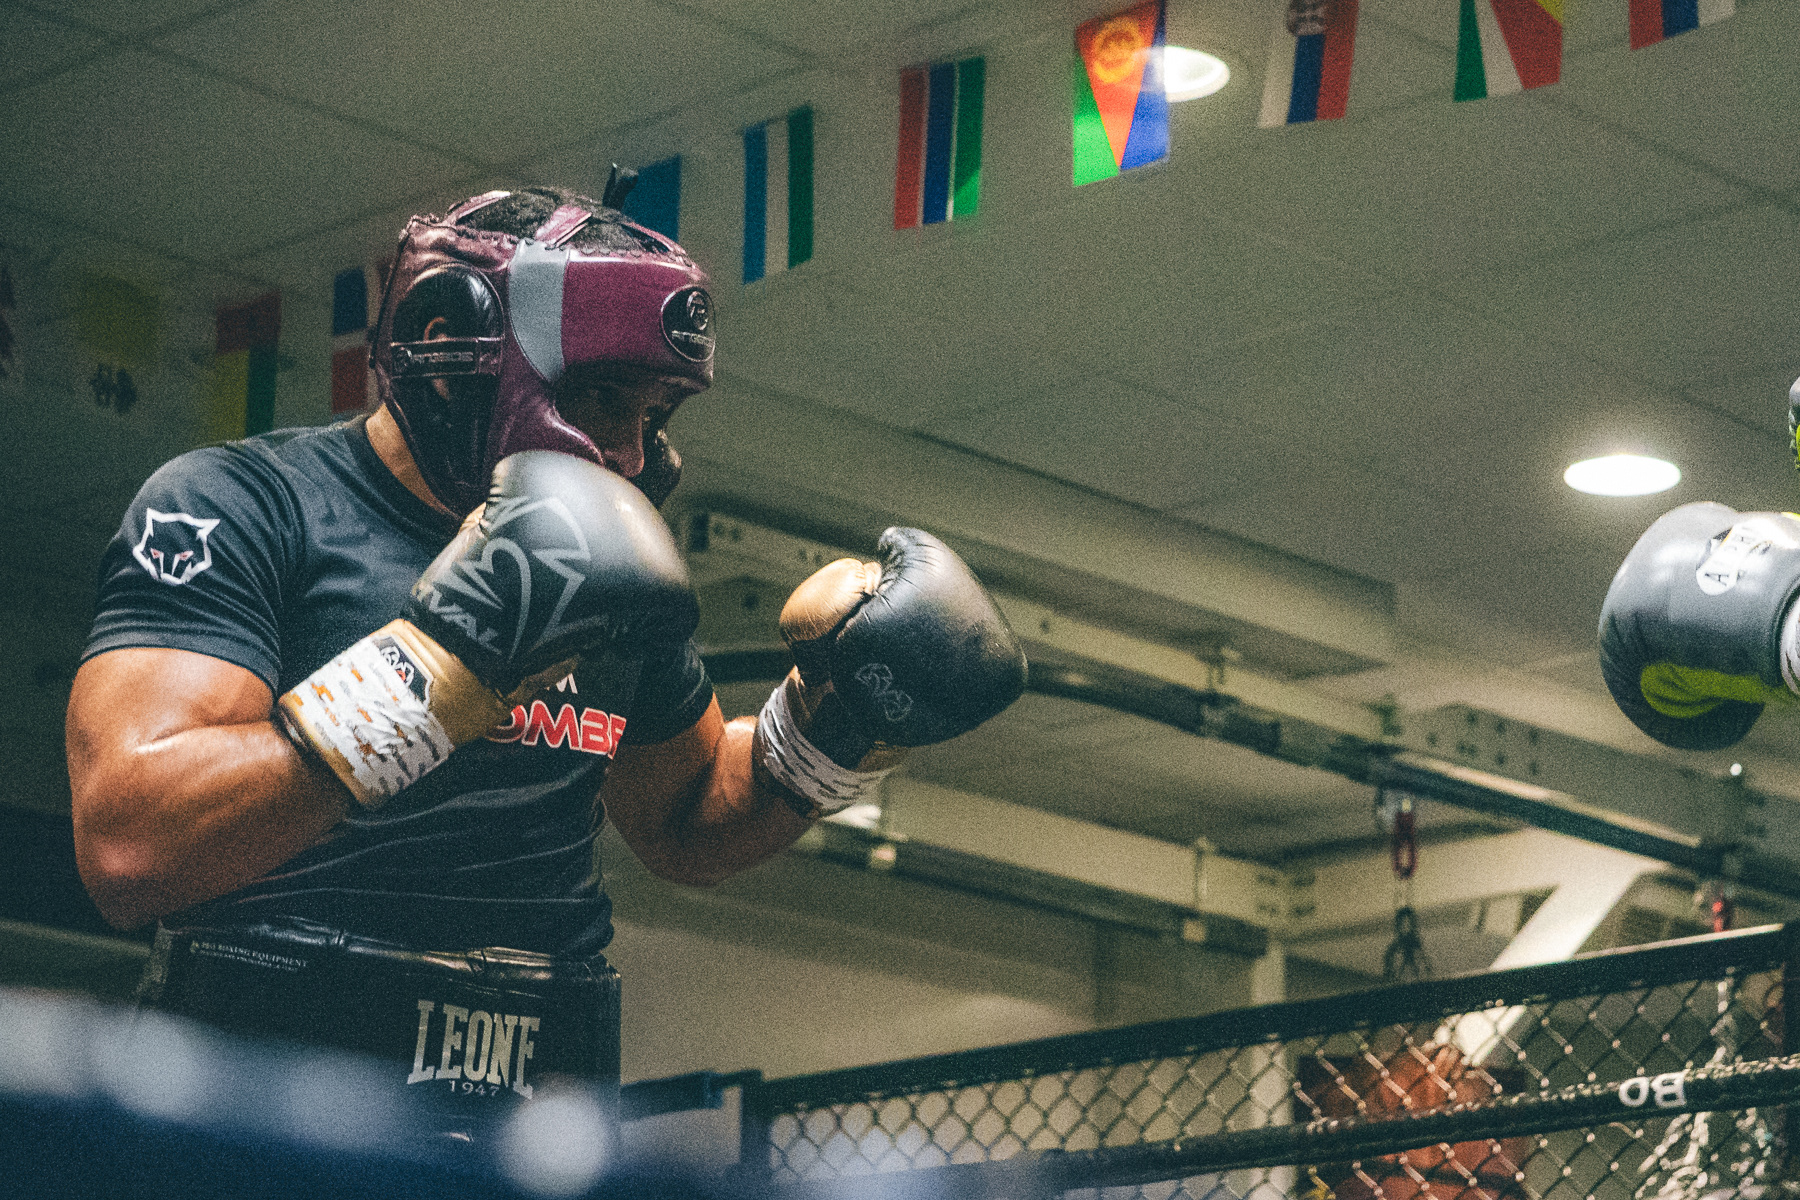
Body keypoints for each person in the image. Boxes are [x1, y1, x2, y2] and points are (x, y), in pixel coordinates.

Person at [65, 184, 1027, 1142]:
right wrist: (445, 669)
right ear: (449, 348)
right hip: (266, 1082)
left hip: (536, 1084)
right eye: (602, 399)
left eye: (655, 415)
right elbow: (130, 843)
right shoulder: (246, 505)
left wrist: (840, 723)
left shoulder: (608, 556)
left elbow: (689, 819)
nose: (630, 454)